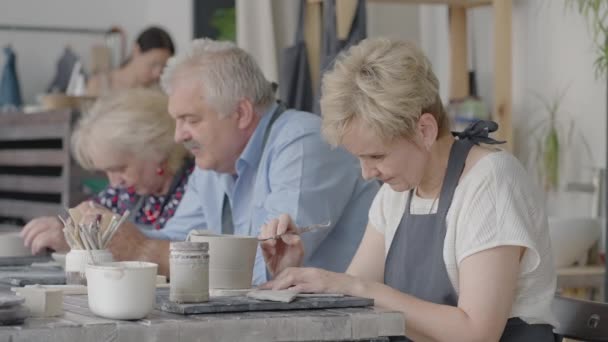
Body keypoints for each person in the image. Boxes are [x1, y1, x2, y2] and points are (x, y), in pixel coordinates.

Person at [258, 38, 557, 341]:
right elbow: (353, 303)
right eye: (360, 158)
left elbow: (476, 334)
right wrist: (291, 273)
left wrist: (356, 288)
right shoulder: (397, 193)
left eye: (377, 156)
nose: (366, 173)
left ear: (424, 130)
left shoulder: (489, 181)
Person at [74, 38, 379, 280]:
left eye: (190, 120)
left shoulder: (303, 143)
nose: (179, 136)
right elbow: (175, 238)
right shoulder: (214, 162)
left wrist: (142, 250)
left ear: (241, 113)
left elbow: (262, 270)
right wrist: (108, 235)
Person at [21, 88, 193, 254]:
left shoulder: (194, 186)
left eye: (120, 168)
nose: (114, 182)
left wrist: (79, 240)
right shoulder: (123, 193)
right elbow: (84, 225)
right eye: (106, 172)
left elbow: (187, 254)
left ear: (157, 149)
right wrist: (66, 231)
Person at [86, 26, 175, 96]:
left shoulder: (159, 91)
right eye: (153, 64)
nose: (157, 74)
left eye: (163, 67)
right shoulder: (100, 83)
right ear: (136, 50)